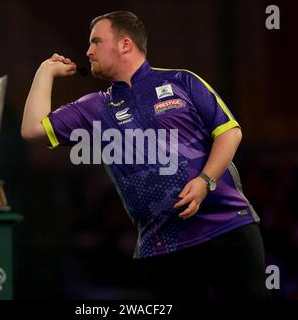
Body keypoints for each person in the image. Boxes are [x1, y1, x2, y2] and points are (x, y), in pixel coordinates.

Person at [21, 10, 269, 301]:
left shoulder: (182, 81)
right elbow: (32, 129)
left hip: (228, 227)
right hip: (163, 245)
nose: (88, 51)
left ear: (125, 44)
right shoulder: (95, 108)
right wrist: (44, 71)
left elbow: (229, 133)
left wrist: (205, 181)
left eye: (96, 42)